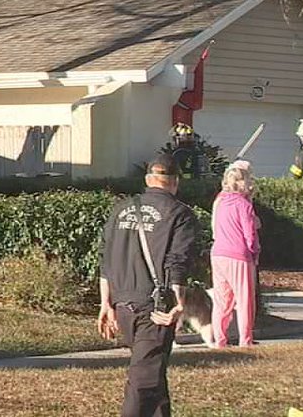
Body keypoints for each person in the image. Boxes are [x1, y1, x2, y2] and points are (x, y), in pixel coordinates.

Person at [98, 154, 200, 417]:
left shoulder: (120, 209)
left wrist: (105, 303)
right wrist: (178, 304)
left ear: (147, 180)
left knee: (152, 374)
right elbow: (176, 262)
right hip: (155, 309)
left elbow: (106, 259)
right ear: (175, 182)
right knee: (143, 382)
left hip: (123, 305)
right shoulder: (180, 214)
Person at [209, 160, 260, 348]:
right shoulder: (243, 204)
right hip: (238, 255)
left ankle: (219, 340)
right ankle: (245, 340)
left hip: (218, 253)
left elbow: (214, 228)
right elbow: (250, 235)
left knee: (222, 300)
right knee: (245, 299)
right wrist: (254, 252)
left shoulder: (220, 201)